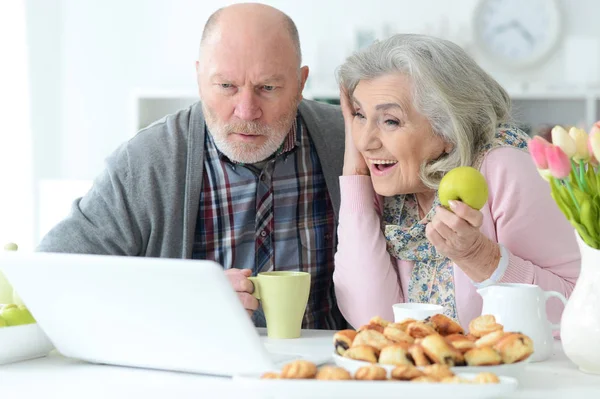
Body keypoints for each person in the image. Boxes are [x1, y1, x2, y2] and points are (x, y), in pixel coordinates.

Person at [37, 3, 346, 330]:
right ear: (199, 78)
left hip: (327, 372)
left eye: (267, 88)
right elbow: (51, 276)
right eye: (226, 86)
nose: (246, 111)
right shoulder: (146, 162)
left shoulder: (349, 143)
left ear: (300, 84)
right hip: (188, 374)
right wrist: (181, 299)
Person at [332, 34, 581, 329]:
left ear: (448, 129)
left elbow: (577, 308)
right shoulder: (395, 180)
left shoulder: (503, 167)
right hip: (432, 374)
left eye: (390, 121)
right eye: (359, 115)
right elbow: (373, 322)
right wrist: (355, 176)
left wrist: (478, 256)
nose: (365, 141)